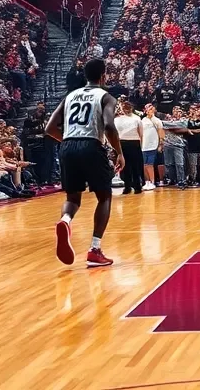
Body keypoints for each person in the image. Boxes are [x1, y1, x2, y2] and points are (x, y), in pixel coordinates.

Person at [46, 58, 124, 268]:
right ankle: (95, 249)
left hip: (67, 147)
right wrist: (119, 152)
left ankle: (65, 220)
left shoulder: (70, 96)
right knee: (104, 196)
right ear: (103, 75)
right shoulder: (106, 97)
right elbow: (108, 126)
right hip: (91, 145)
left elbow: (50, 128)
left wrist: (70, 141)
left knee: (73, 197)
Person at [114, 99, 144, 194]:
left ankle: (134, 186)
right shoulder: (117, 119)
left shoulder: (136, 118)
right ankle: (131, 186)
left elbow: (141, 133)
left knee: (132, 166)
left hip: (131, 142)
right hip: (126, 143)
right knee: (127, 166)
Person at [141, 103, 164, 189]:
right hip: (144, 145)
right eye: (148, 109)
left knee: (150, 164)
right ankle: (146, 182)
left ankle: (152, 181)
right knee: (144, 164)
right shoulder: (143, 120)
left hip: (153, 145)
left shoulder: (157, 120)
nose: (149, 110)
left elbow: (161, 132)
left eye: (151, 109)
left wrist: (160, 144)